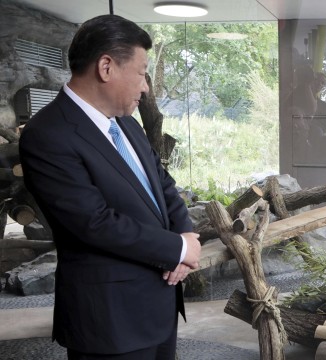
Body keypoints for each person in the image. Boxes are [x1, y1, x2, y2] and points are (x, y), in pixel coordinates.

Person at [19, 14, 201, 360]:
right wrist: (176, 248)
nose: (146, 86)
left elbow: (164, 186)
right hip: (109, 321)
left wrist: (184, 240)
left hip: (160, 305)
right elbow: (94, 222)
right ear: (106, 67)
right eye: (141, 71)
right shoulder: (47, 135)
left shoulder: (127, 126)